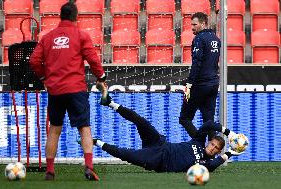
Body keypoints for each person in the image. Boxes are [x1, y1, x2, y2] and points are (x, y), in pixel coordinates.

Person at [29, 2, 106, 181]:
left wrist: (44, 79)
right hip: (76, 89)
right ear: (76, 16)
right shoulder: (81, 35)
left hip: (55, 90)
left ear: (60, 16)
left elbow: (34, 61)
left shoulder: (48, 37)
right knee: (84, 129)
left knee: (54, 129)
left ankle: (49, 171)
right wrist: (101, 77)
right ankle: (89, 167)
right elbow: (93, 59)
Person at [88, 93, 242, 173]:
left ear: (218, 151)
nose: (212, 147)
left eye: (216, 148)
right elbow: (208, 124)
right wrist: (229, 133)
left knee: (127, 154)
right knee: (141, 122)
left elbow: (214, 165)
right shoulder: (199, 141)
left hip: (159, 161)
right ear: (209, 142)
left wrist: (230, 153)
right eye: (213, 144)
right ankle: (110, 103)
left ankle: (95, 142)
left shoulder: (206, 164)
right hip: (160, 143)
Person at [179, 12, 221, 141]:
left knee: (184, 118)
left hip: (200, 84)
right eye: (191, 24)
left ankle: (200, 144)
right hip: (213, 84)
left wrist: (189, 84)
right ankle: (212, 152)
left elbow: (197, 63)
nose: (192, 27)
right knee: (208, 121)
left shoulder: (199, 39)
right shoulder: (215, 38)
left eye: (194, 24)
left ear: (203, 23)